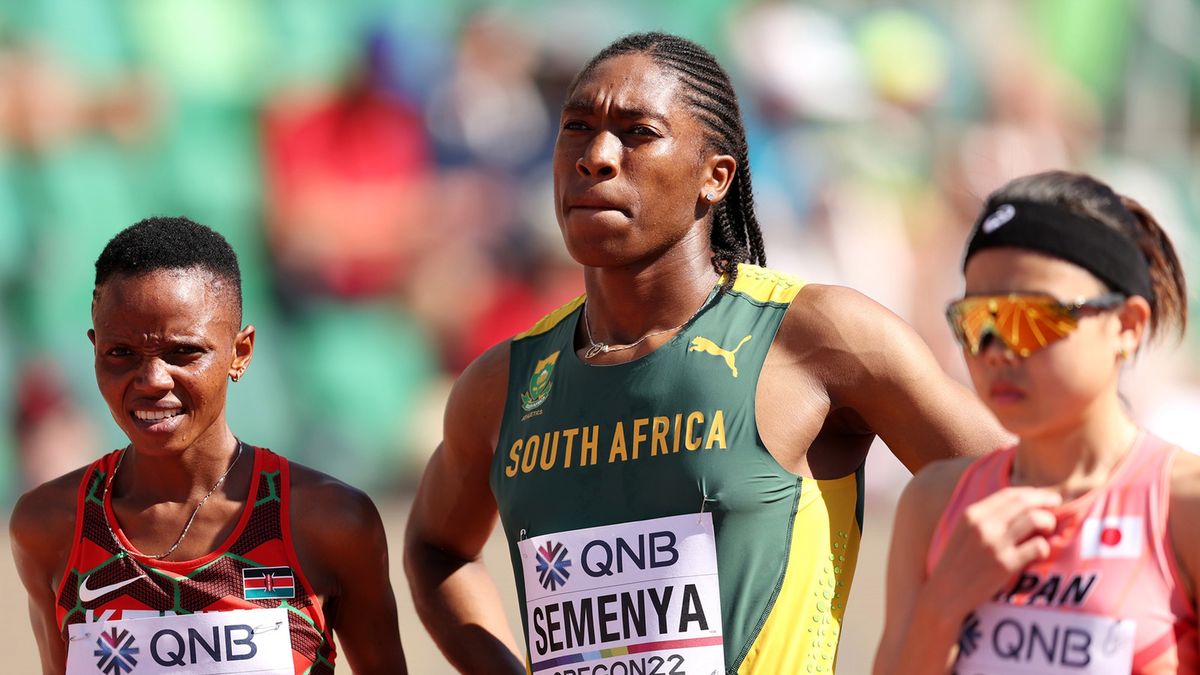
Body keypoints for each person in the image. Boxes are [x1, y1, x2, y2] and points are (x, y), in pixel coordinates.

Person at [404, 32, 1006, 675]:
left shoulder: (818, 338)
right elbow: (436, 549)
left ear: (714, 177)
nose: (596, 156)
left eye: (638, 133)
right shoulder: (505, 383)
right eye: (577, 127)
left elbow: (1038, 492)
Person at [9, 217, 407, 674]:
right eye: (121, 353)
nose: (152, 380)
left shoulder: (327, 521)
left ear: (240, 353)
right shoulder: (50, 527)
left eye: (183, 353)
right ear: (94, 350)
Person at [873, 170, 1198, 673]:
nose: (998, 351)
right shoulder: (935, 503)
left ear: (1127, 326)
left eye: (1032, 318)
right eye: (978, 321)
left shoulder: (1183, 508)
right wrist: (944, 605)